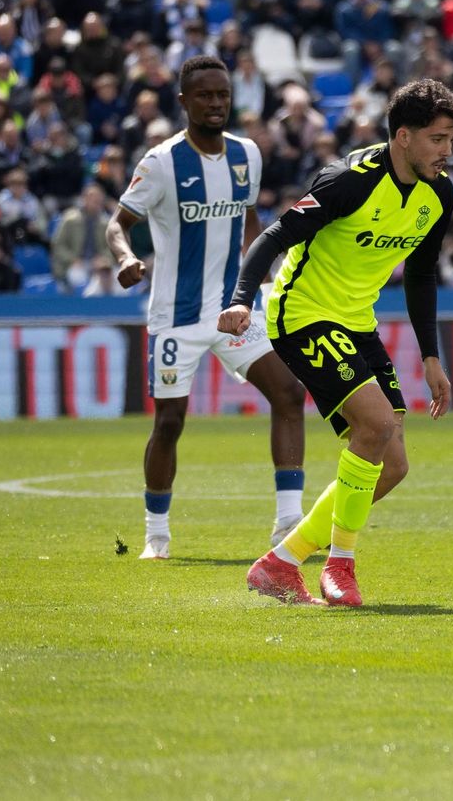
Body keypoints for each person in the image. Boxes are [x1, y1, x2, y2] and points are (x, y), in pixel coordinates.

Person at [223, 79, 453, 607]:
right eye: (437, 139)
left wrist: (431, 357)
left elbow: (421, 274)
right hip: (302, 313)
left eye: (451, 139)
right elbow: (274, 236)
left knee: (393, 466)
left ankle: (281, 563)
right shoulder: (349, 181)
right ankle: (340, 566)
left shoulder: (439, 193)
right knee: (375, 425)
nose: (447, 150)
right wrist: (241, 300)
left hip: (356, 320)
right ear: (403, 136)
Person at [107, 56, 310, 561]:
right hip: (176, 317)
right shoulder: (160, 163)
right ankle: (157, 535)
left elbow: (249, 218)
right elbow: (117, 224)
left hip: (233, 309)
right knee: (170, 423)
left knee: (289, 393)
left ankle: (288, 524)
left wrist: (258, 278)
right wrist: (126, 258)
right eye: (204, 95)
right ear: (184, 101)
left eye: (222, 95)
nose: (216, 103)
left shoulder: (247, 154)